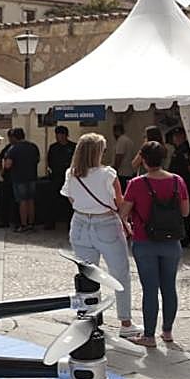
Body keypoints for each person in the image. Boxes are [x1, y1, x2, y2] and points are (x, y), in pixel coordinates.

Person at [61, 132, 138, 339]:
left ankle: (90, 319)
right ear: (98, 152)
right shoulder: (108, 173)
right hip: (105, 223)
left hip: (79, 223)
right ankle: (125, 322)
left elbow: (70, 199)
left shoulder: (71, 173)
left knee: (87, 276)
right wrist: (126, 221)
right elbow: (119, 202)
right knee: (120, 273)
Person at [120, 141, 190, 347]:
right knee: (169, 287)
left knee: (150, 289)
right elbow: (185, 212)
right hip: (171, 242)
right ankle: (167, 332)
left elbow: (123, 213)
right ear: (164, 158)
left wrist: (130, 228)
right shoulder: (178, 181)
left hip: (144, 241)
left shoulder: (136, 184)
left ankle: (148, 336)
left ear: (143, 158)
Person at [2, 127, 40, 232]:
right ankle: (31, 223)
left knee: (22, 201)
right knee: (31, 201)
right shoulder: (33, 146)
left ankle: (24, 224)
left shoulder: (13, 149)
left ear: (14, 137)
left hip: (19, 178)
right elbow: (38, 160)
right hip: (32, 177)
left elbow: (7, 165)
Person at [168, 127, 190, 247]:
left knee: (186, 211)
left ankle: (186, 237)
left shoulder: (186, 149)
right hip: (178, 185)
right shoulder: (178, 149)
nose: (176, 138)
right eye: (175, 136)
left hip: (187, 184)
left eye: (178, 136)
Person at [45, 126, 76, 229]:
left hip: (70, 178)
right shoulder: (53, 147)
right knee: (53, 201)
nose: (58, 137)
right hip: (56, 177)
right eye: (57, 135)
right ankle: (51, 223)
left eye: (60, 135)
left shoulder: (73, 147)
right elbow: (49, 161)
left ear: (65, 135)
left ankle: (70, 223)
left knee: (69, 202)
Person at [112, 123, 137, 189]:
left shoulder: (121, 140)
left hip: (122, 173)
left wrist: (114, 169)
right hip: (130, 172)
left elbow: (119, 156)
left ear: (117, 131)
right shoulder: (128, 140)